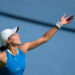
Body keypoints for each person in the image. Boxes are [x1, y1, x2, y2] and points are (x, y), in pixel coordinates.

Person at [0, 13, 73, 75]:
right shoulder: (2, 57)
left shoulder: (23, 49)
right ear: (8, 41)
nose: (18, 35)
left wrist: (60, 24)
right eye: (14, 34)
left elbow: (45, 38)